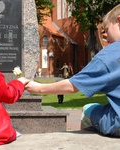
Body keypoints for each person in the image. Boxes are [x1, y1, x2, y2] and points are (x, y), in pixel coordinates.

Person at [26, 4, 120, 137]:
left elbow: (74, 86)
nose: (107, 39)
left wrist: (38, 88)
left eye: (106, 31)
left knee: (88, 109)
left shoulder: (109, 55)